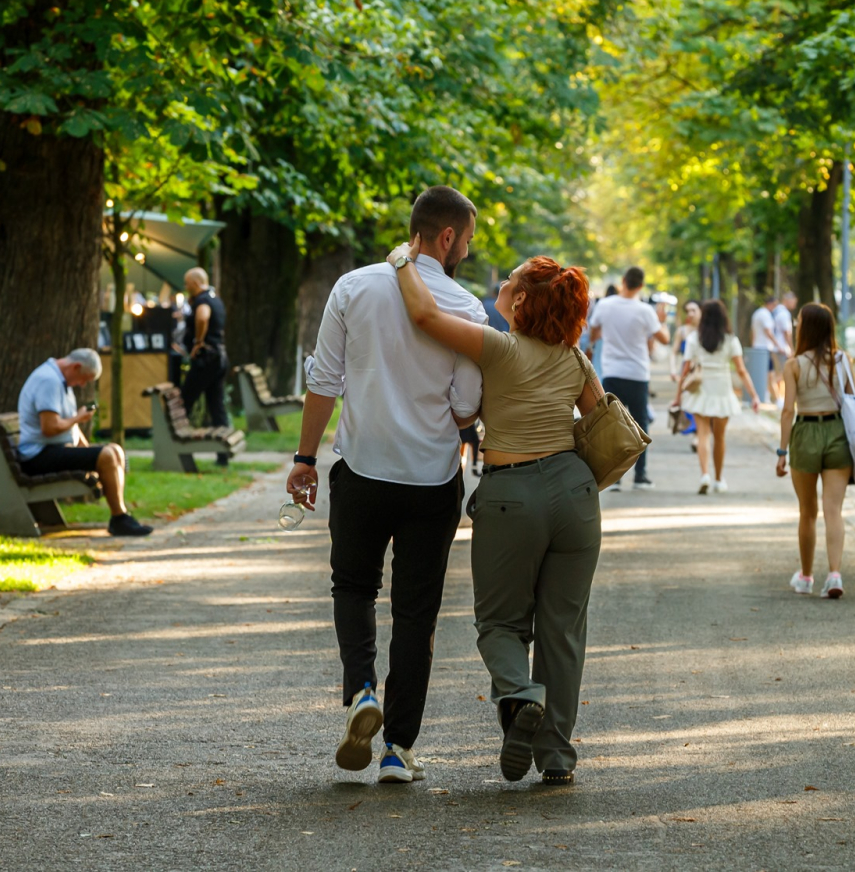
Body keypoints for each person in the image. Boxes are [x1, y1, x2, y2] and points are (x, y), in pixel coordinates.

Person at [286, 186, 487, 784]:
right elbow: (465, 409)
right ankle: (399, 748)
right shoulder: (467, 308)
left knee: (352, 587)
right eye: (468, 241)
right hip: (430, 480)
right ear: (446, 237)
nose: (467, 253)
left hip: (362, 472)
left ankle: (361, 691)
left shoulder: (353, 287)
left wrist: (304, 458)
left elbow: (324, 380)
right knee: (417, 614)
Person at [390, 243, 605, 788]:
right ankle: (555, 756)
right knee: (563, 631)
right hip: (577, 495)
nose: (502, 286)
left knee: (500, 624)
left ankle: (520, 692)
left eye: (510, 280)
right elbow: (600, 418)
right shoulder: (575, 359)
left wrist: (401, 264)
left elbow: (423, 315)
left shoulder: (499, 348)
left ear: (524, 300)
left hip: (512, 495)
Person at [16, 349, 150, 537]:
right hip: (37, 456)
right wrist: (78, 418)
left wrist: (86, 452)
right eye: (83, 379)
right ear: (76, 367)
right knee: (106, 454)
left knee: (114, 450)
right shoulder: (49, 381)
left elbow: (70, 426)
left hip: (53, 449)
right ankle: (119, 518)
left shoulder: (60, 381)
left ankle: (121, 515)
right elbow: (49, 427)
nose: (82, 384)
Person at [775, 304, 855, 599]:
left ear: (805, 327)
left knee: (808, 511)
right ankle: (834, 574)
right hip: (836, 432)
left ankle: (807, 576)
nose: (795, 326)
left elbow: (787, 412)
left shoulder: (794, 364)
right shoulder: (843, 359)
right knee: (834, 509)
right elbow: (853, 401)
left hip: (806, 432)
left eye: (798, 322)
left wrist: (781, 452)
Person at [587, 267, 667, 490]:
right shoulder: (645, 311)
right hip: (638, 373)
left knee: (612, 424)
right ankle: (640, 476)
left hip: (612, 372)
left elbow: (594, 333)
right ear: (641, 285)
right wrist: (660, 320)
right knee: (640, 424)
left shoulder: (605, 305)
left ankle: (614, 478)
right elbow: (664, 338)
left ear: (623, 281)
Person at [673, 300, 760, 493]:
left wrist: (678, 396)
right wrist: (754, 396)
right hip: (722, 390)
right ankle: (719, 479)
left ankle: (704, 474)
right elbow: (742, 370)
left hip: (700, 389)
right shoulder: (730, 340)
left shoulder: (695, 338)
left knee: (703, 435)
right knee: (719, 437)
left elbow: (685, 370)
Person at [178, 268, 230, 462]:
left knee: (184, 402)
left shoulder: (203, 300)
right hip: (219, 357)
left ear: (196, 282)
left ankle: (179, 450)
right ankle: (223, 456)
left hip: (206, 358)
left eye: (187, 283)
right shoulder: (215, 298)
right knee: (216, 405)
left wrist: (198, 342)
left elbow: (202, 317)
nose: (186, 287)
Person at [747, 294, 780, 404]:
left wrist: (753, 344)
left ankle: (766, 396)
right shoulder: (765, 314)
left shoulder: (757, 313)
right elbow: (768, 332)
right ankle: (774, 398)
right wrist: (778, 345)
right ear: (770, 304)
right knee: (770, 374)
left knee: (761, 374)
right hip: (764, 348)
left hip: (757, 347)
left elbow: (752, 332)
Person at [772, 291, 797, 403]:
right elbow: (787, 333)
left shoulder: (776, 311)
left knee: (778, 372)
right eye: (793, 301)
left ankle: (777, 396)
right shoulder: (783, 313)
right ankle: (779, 398)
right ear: (787, 300)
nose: (794, 304)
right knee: (781, 373)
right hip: (781, 348)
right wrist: (791, 348)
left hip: (775, 347)